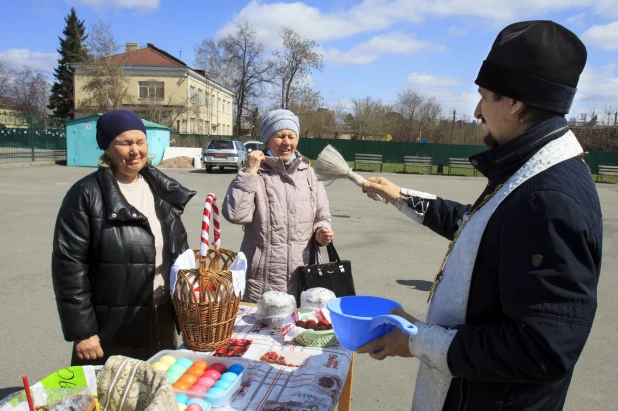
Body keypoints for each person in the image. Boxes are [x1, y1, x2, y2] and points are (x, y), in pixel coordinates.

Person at [357, 21, 602, 411]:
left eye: (484, 96)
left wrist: (418, 340)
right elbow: (477, 227)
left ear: (515, 102)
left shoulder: (548, 197)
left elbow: (542, 349)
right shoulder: (529, 170)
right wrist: (399, 196)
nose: (476, 111)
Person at [52, 110, 196, 365]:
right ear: (107, 147)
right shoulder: (86, 195)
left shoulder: (161, 189)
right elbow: (69, 267)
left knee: (157, 392)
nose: (135, 150)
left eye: (140, 141)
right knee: (113, 398)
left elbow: (178, 251)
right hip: (112, 325)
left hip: (160, 315)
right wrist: (83, 331)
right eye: (124, 142)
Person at [222, 109, 334, 303]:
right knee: (261, 331)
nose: (287, 142)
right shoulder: (255, 172)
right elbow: (236, 215)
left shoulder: (310, 175)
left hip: (303, 275)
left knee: (302, 331)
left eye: (292, 136)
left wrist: (321, 232)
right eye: (280, 136)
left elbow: (321, 216)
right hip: (262, 279)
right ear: (267, 140)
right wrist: (249, 173)